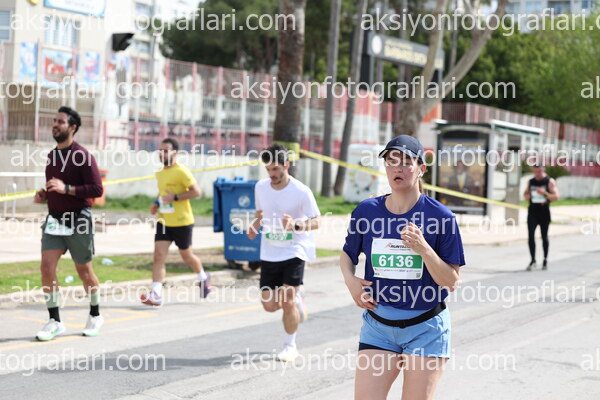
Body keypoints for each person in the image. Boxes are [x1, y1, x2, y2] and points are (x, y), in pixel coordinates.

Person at [340, 135, 465, 400]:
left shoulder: (441, 217)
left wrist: (424, 249)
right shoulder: (367, 211)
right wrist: (351, 281)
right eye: (391, 161)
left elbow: (452, 281)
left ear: (421, 169)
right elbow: (347, 255)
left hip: (426, 327)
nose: (398, 168)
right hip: (378, 326)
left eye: (407, 162)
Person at [33, 106, 104, 341]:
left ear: (72, 127)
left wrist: (67, 189)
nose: (55, 125)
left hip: (78, 219)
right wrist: (45, 194)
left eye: (60, 122)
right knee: (46, 267)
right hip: (54, 219)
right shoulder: (52, 156)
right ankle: (55, 321)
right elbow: (56, 186)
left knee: (84, 271)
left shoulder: (83, 155)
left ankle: (95, 314)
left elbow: (96, 189)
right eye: (54, 121)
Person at [247, 144, 321, 362]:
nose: (272, 174)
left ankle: (290, 345)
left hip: (294, 250)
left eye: (276, 169)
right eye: (268, 169)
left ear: (286, 165)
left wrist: (296, 225)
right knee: (269, 305)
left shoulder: (301, 191)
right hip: (270, 251)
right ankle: (297, 296)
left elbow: (317, 221)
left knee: (287, 302)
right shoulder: (261, 187)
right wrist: (254, 226)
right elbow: (260, 214)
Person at [140, 138, 211, 306]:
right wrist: (156, 204)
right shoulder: (160, 172)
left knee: (187, 256)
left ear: (175, 153)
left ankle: (203, 277)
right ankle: (156, 294)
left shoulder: (182, 171)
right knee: (158, 256)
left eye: (166, 151)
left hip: (182, 221)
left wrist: (176, 197)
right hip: (164, 221)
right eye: (160, 150)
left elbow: (197, 192)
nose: (162, 154)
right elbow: (163, 193)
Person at [524, 164, 559, 271]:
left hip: (544, 212)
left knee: (544, 236)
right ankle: (533, 260)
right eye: (535, 171)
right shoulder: (531, 181)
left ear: (543, 169)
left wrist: (545, 194)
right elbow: (525, 195)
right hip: (532, 212)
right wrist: (527, 196)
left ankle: (545, 260)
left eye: (539, 171)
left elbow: (556, 197)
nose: (537, 174)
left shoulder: (549, 181)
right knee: (531, 236)